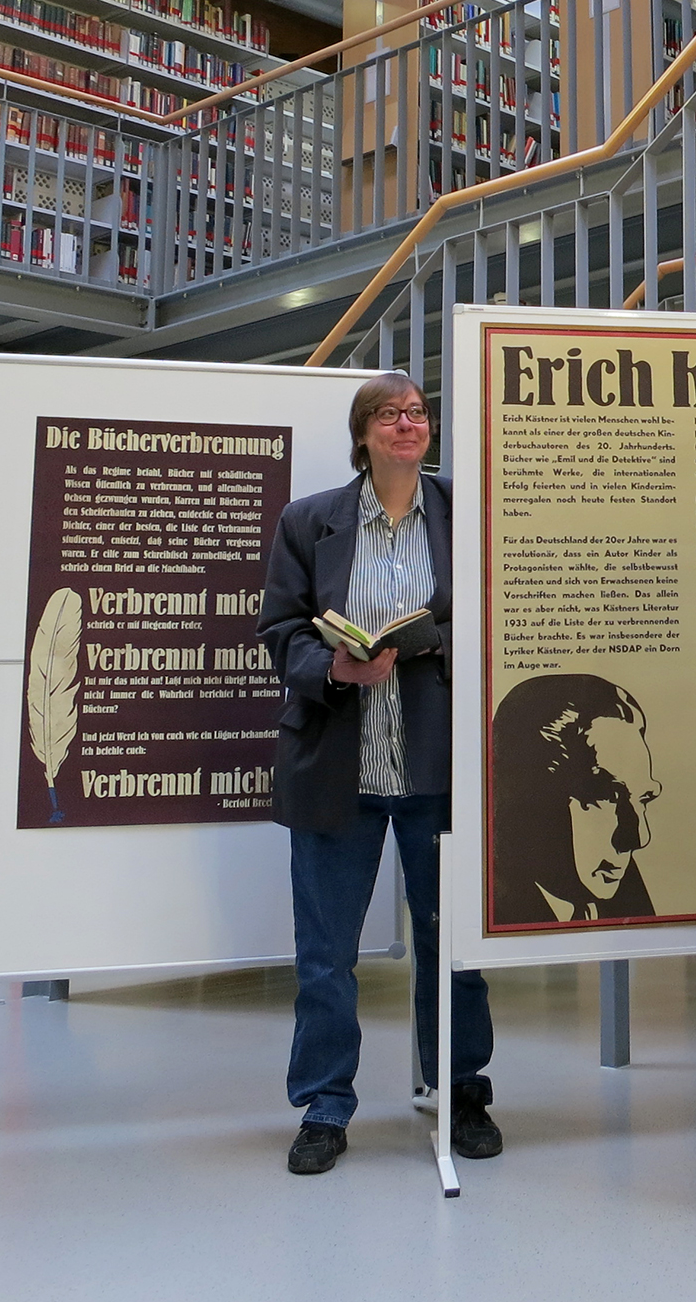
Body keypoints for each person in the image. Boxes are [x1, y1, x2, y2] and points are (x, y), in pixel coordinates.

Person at [259, 372, 498, 1176]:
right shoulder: (309, 521)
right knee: (326, 951)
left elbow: (492, 612)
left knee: (451, 940)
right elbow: (279, 628)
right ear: (362, 432)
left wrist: (428, 640)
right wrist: (334, 667)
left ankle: (461, 1088)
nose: (407, 423)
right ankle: (325, 1105)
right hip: (338, 762)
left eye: (417, 412)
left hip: (439, 761)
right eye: (389, 414)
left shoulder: (463, 511)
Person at [489, 674, 662, 926]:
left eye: (643, 800)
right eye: (607, 798)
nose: (639, 838)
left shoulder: (631, 903)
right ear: (528, 798)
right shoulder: (494, 906)